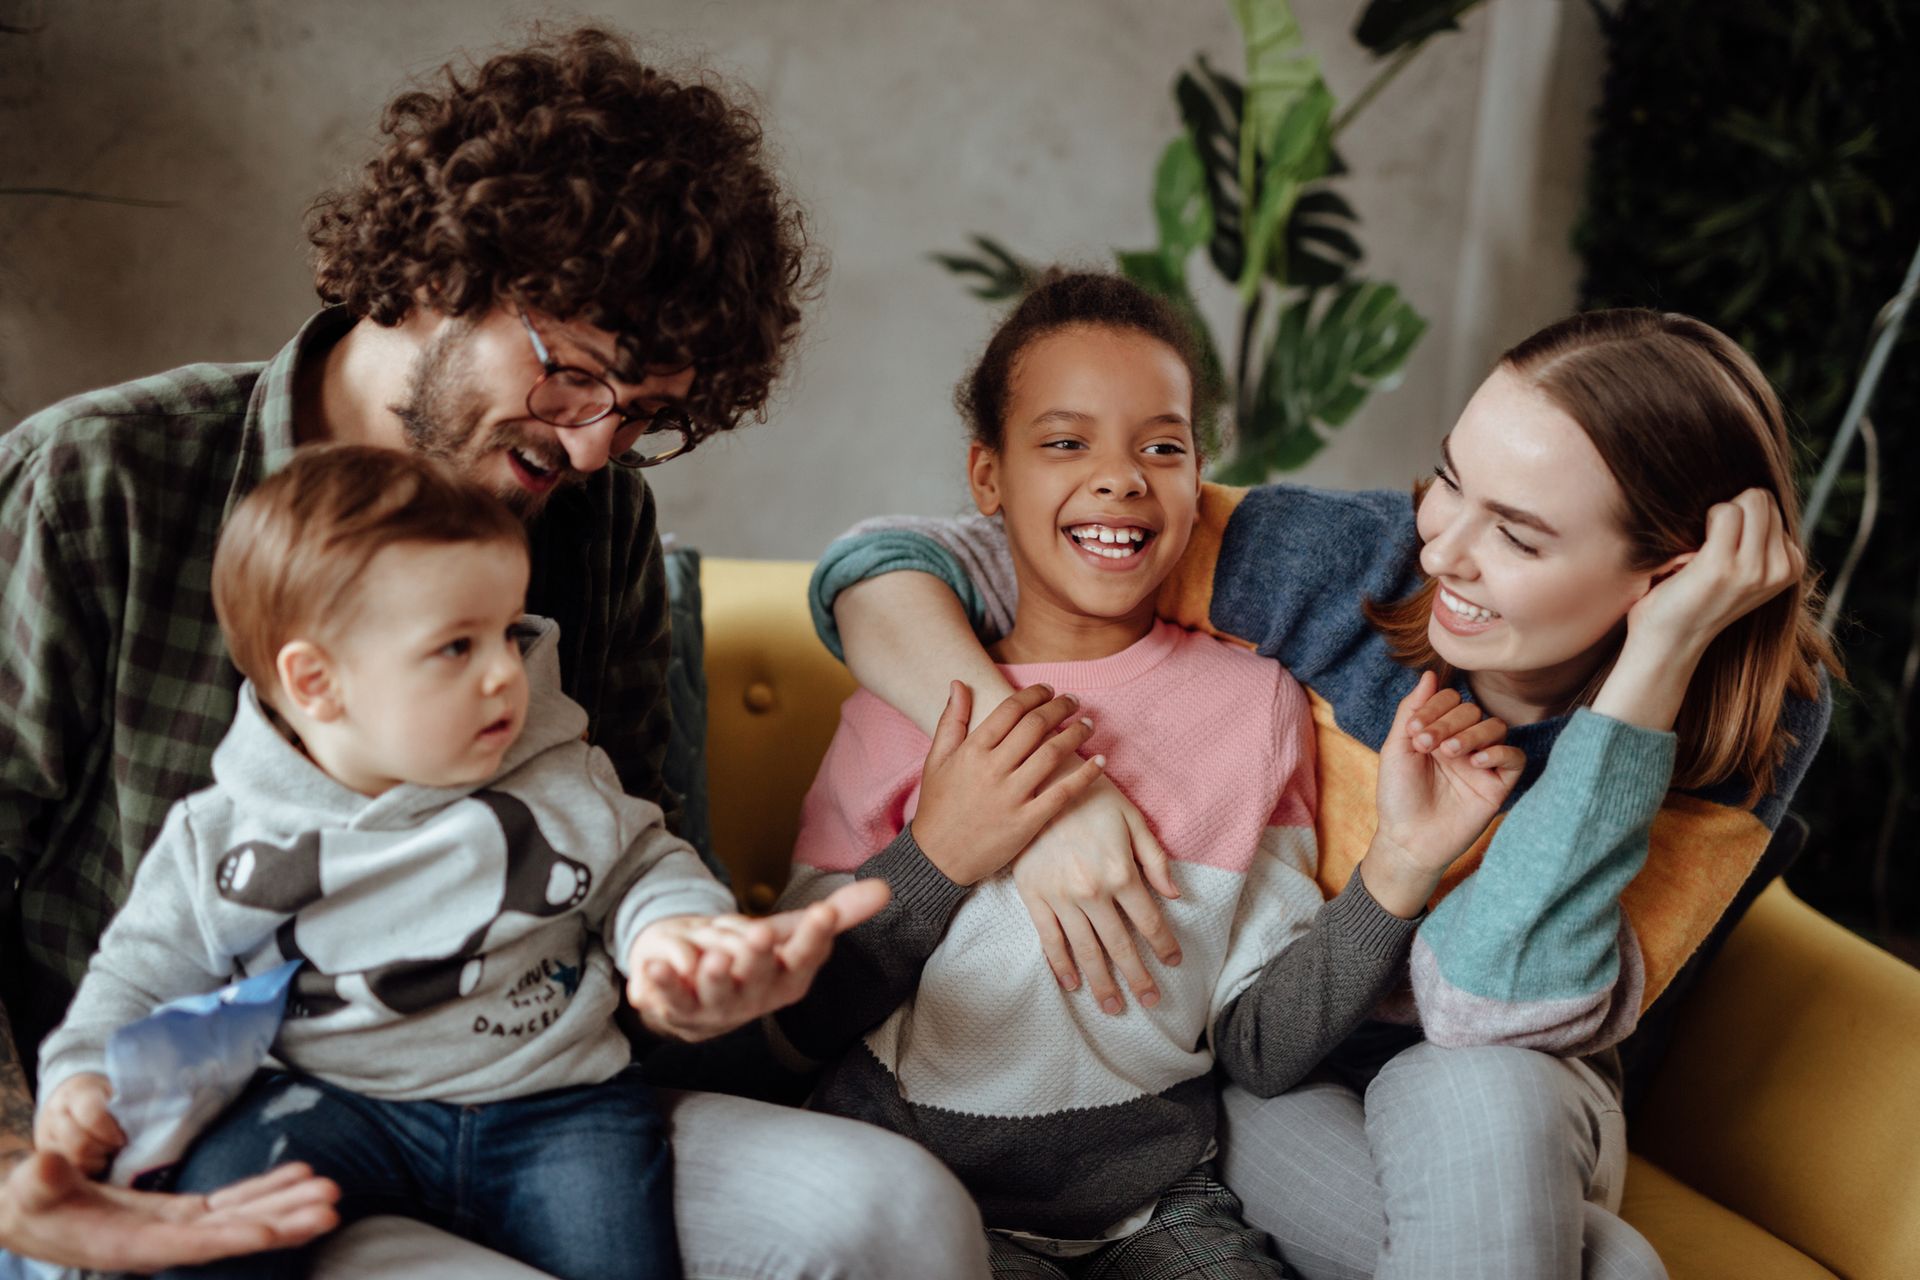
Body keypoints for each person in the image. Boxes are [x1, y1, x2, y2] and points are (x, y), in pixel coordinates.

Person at [0, 27, 988, 1279]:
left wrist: (676, 975)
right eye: (577, 376)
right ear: (441, 270)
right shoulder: (99, 485)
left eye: (643, 417)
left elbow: (617, 842)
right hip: (176, 1147)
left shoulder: (593, 518)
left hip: (525, 1094)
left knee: (894, 1213)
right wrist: (23, 1169)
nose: (590, 450)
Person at [811, 308, 1835, 1279]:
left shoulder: (1751, 716)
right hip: (1289, 1069)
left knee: (1476, 1082)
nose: (1444, 550)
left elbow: (1491, 1008)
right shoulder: (1339, 561)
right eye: (1448, 479)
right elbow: (894, 562)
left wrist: (1644, 682)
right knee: (1611, 1268)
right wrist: (1047, 792)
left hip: (1532, 1079)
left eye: (1519, 536)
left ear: (1666, 575)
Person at [768, 274, 1527, 1279]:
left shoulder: (1255, 708)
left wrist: (1405, 862)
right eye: (1066, 441)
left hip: (1157, 1203)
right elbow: (800, 1019)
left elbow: (1257, 1043)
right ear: (987, 476)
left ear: (1200, 477)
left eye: (1161, 447)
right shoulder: (909, 702)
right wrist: (939, 858)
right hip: (928, 1199)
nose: (1121, 477)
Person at [36, 445, 894, 1279]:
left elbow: (643, 867)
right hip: (329, 1102)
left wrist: (674, 936)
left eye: (507, 632)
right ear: (317, 683)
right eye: (457, 647)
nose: (504, 675)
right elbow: (135, 978)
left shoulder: (557, 773)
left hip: (554, 1107)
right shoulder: (220, 836)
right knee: (212, 1226)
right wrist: (81, 1083)